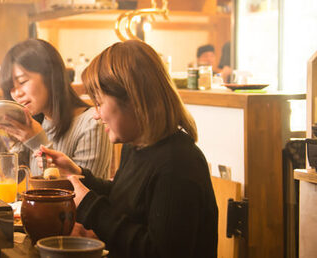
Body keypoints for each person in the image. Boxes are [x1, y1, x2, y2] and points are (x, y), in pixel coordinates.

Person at [39, 40, 218, 258]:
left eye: (99, 103)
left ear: (133, 100)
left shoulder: (178, 164)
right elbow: (126, 198)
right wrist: (78, 175)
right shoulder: (136, 146)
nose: (96, 114)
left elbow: (159, 252)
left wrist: (91, 207)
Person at [0, 39, 112, 178]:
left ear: (50, 75)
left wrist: (37, 142)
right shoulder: (37, 121)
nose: (17, 93)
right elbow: (11, 176)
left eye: (22, 82)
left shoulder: (93, 123)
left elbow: (83, 193)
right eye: (11, 88)